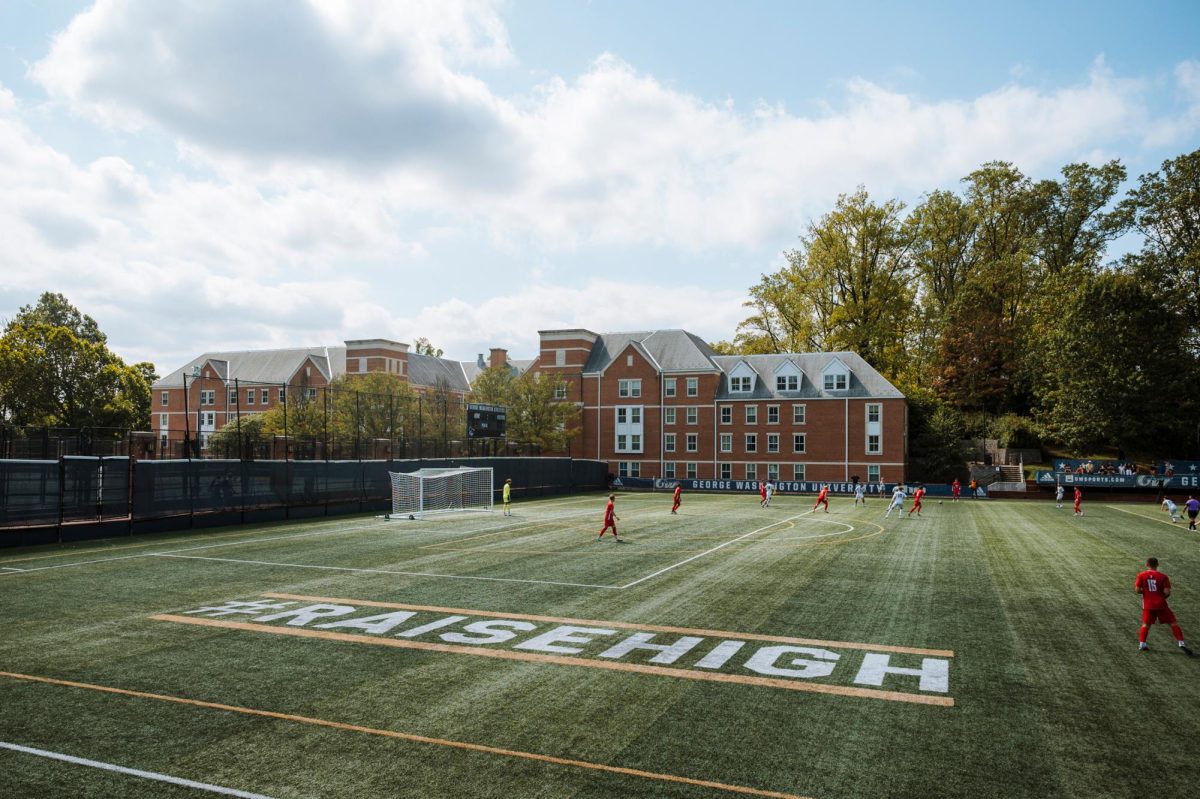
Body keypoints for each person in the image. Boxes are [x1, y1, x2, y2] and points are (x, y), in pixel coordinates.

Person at [1135, 557, 1192, 655]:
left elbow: (1137, 589)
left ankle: (1142, 644)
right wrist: (1161, 598)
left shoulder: (1141, 575)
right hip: (1161, 604)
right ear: (1157, 565)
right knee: (1173, 623)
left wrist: (1146, 593)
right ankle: (1181, 643)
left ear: (1146, 564)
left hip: (1148, 605)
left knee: (1145, 624)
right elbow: (1167, 592)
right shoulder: (1163, 576)